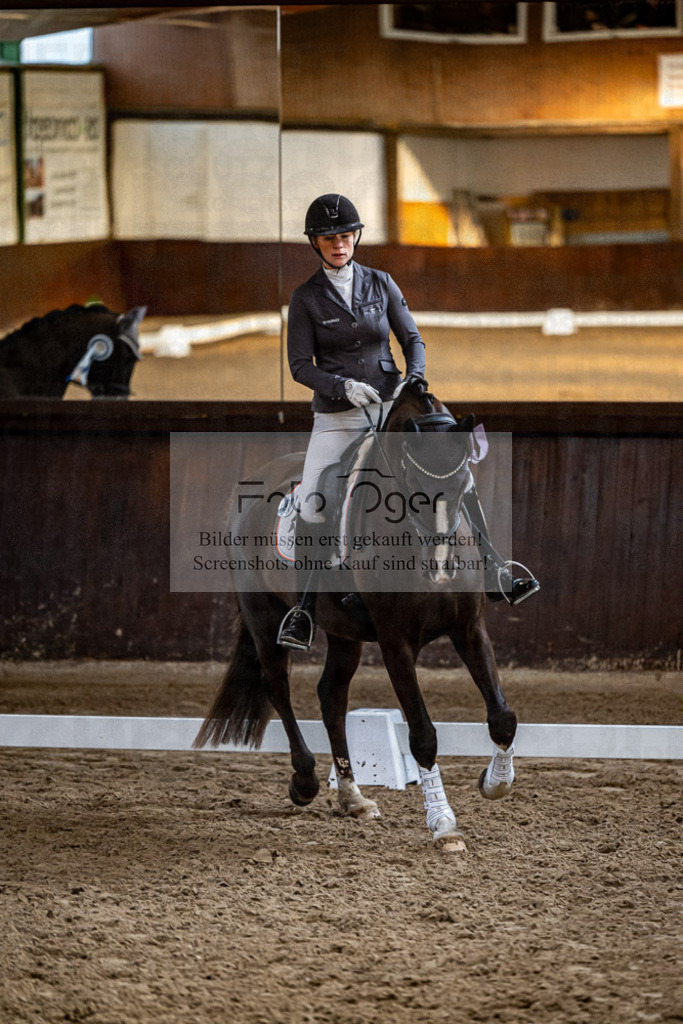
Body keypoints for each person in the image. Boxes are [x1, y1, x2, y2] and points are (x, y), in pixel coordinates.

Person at [278, 193, 539, 650]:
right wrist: (341, 387)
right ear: (315, 243)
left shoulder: (381, 283)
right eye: (329, 238)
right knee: (314, 501)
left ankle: (496, 567)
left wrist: (414, 377)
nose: (338, 245)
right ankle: (303, 608)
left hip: (391, 407)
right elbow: (300, 365)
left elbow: (412, 339)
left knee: (453, 470)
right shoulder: (305, 298)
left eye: (345, 236)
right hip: (339, 417)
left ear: (356, 237)